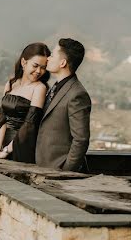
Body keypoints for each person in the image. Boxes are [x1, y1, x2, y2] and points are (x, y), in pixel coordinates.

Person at [0, 42, 50, 163]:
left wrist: (6, 151)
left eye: (43, 67)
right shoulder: (11, 83)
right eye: (35, 65)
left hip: (22, 146)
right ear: (23, 62)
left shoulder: (40, 88)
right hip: (4, 145)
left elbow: (30, 124)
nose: (38, 71)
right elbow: (3, 118)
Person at [35, 38, 91, 171]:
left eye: (52, 55)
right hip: (42, 167)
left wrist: (66, 170)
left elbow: (81, 139)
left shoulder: (77, 94)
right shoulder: (54, 87)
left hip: (59, 172)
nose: (48, 58)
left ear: (63, 62)